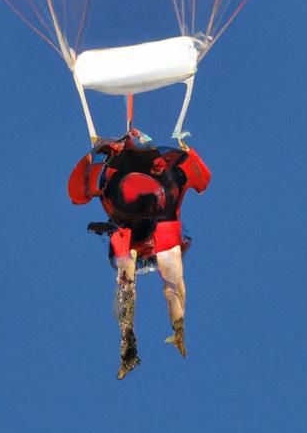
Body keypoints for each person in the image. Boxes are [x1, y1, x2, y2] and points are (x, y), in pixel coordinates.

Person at [67, 128, 211, 379]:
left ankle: (140, 338)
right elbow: (202, 177)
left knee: (137, 276)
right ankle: (159, 334)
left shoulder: (111, 179)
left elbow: (77, 191)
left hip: (141, 223)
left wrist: (95, 153)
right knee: (161, 274)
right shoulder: (172, 171)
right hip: (150, 221)